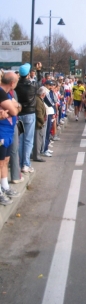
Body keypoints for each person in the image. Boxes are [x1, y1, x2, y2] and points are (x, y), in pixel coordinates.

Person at [0, 71, 21, 205]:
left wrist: (15, 107)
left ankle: (5, 186)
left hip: (8, 131)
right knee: (1, 162)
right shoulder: (1, 92)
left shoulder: (8, 94)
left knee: (5, 160)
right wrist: (15, 107)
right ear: (12, 83)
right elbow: (14, 111)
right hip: (2, 132)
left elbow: (18, 107)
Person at [15, 63, 37, 174]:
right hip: (30, 113)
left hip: (19, 113)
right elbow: (37, 83)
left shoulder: (16, 86)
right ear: (28, 74)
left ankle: (19, 163)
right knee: (28, 140)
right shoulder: (32, 85)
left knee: (20, 140)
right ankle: (26, 164)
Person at [32, 86, 47, 162]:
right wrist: (42, 121)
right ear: (43, 94)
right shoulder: (38, 100)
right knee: (38, 140)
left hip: (39, 122)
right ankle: (37, 156)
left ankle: (36, 155)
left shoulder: (38, 99)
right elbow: (39, 112)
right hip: (39, 123)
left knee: (39, 139)